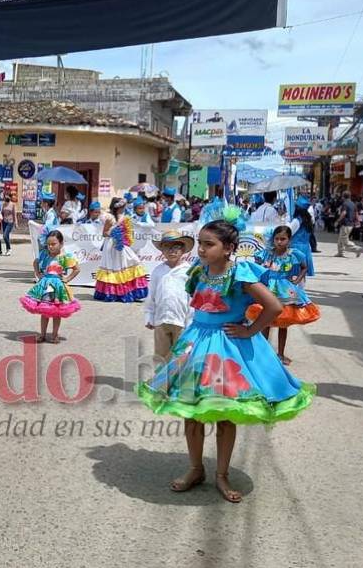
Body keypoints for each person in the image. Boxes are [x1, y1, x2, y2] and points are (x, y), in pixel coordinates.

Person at [137, 219, 315, 503]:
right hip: (196, 344)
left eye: (210, 245)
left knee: (224, 414)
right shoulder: (199, 271)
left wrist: (249, 330)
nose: (202, 250)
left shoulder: (240, 273)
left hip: (228, 348)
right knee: (191, 411)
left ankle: (221, 474)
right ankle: (196, 469)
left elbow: (274, 306)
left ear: (229, 248)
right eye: (201, 244)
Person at [246, 225, 321, 364]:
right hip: (268, 289)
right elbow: (256, 265)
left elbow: (305, 267)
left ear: (289, 240)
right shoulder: (267, 253)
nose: (279, 242)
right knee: (265, 323)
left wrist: (297, 280)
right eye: (276, 239)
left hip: (285, 291)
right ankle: (264, 354)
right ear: (273, 239)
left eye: (283, 239)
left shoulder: (294, 254)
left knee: (283, 324)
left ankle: (280, 354)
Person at [19, 230, 81, 343]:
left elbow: (77, 269)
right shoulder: (45, 254)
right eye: (48, 244)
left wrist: (67, 279)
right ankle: (42, 335)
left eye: (53, 244)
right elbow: (35, 262)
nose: (50, 247)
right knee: (44, 311)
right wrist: (38, 273)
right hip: (45, 286)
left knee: (57, 312)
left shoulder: (65, 257)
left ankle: (55, 334)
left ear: (61, 244)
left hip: (58, 287)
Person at [144, 231, 194, 363]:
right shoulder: (158, 271)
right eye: (167, 247)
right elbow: (152, 295)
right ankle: (161, 382)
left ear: (183, 250)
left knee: (181, 355)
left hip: (181, 321)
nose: (171, 251)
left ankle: (179, 382)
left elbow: (192, 298)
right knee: (161, 355)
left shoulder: (188, 272)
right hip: (161, 320)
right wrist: (149, 315)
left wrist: (190, 322)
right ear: (162, 250)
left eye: (176, 247)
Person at [94, 198, 149, 302]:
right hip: (111, 244)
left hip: (121, 244)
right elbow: (104, 233)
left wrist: (122, 237)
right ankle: (113, 293)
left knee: (131, 261)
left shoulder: (125, 218)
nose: (124, 208)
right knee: (113, 266)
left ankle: (127, 291)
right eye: (123, 206)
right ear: (118, 207)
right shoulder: (110, 218)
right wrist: (113, 234)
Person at [288, 197, 316, 282]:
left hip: (296, 248)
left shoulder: (297, 220)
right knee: (301, 273)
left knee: (294, 274)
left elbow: (289, 232)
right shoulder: (309, 220)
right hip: (305, 248)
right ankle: (300, 290)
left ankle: (295, 292)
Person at [335, 191, 362, 257]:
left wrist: (338, 221)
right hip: (351, 224)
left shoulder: (345, 204)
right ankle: (340, 253)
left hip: (346, 224)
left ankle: (357, 249)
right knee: (340, 239)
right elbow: (356, 213)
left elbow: (344, 213)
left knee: (345, 241)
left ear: (343, 196)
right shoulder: (353, 204)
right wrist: (358, 221)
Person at [0, 190, 17, 256]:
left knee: (4, 235)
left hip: (10, 222)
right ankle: (8, 250)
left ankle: (9, 248)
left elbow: (14, 214)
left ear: (10, 197)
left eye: (8, 196)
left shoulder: (12, 204)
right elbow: (1, 212)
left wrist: (16, 222)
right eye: (5, 196)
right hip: (4, 222)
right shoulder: (4, 204)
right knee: (6, 236)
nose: (6, 197)